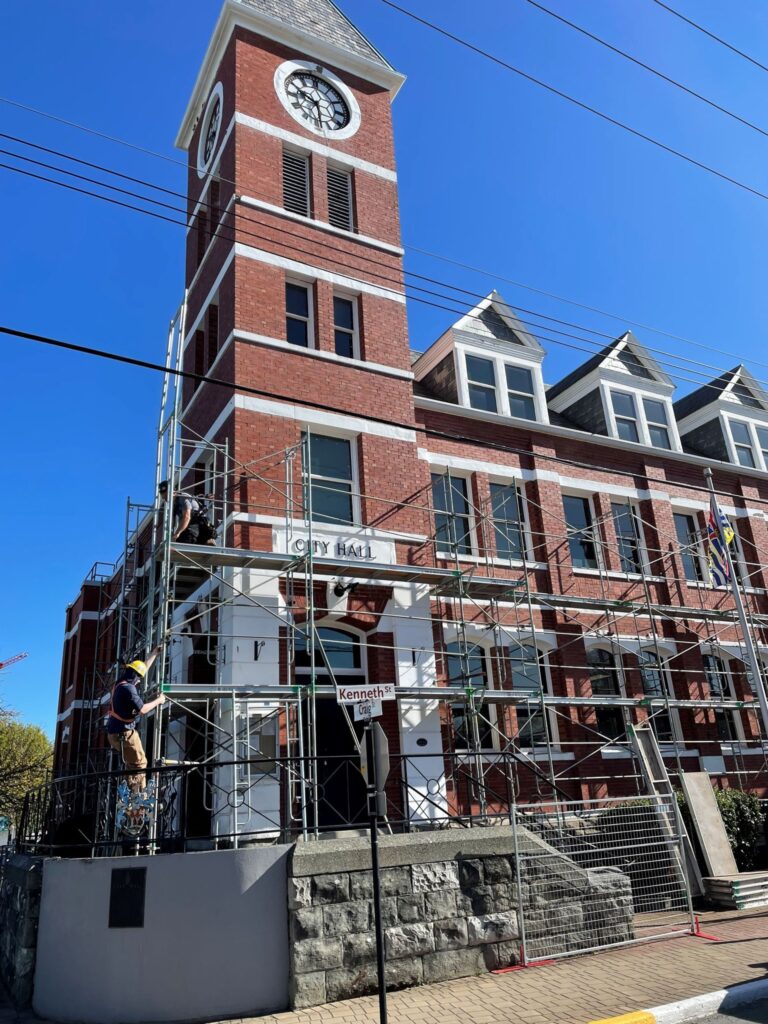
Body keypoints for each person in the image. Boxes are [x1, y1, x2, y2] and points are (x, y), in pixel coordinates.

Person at [107, 646, 166, 792]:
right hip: (125, 734)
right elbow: (143, 710)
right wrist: (159, 700)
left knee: (131, 765)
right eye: (138, 678)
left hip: (114, 734)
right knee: (140, 764)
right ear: (134, 676)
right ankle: (138, 801)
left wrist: (154, 654)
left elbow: (141, 668)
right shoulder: (129, 689)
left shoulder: (120, 683)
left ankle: (130, 795)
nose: (139, 681)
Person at [158, 480, 216, 545]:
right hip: (191, 528)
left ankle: (208, 540)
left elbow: (187, 517)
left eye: (166, 495)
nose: (165, 498)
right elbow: (172, 524)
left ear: (173, 492)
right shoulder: (175, 504)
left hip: (195, 527)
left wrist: (177, 534)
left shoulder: (182, 498)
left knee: (183, 540)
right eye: (163, 496)